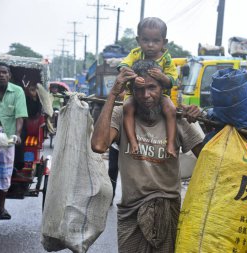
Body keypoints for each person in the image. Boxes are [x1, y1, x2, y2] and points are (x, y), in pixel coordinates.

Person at [91, 60, 203, 252]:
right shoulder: (121, 113)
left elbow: (208, 157)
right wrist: (113, 95)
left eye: (152, 88)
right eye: (139, 90)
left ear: (162, 88)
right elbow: (99, 145)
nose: (146, 95)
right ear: (132, 91)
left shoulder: (177, 118)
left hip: (168, 209)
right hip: (131, 212)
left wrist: (201, 115)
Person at [117, 17, 179, 157]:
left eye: (156, 41)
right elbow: (123, 66)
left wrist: (163, 77)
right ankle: (133, 142)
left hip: (160, 97)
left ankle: (170, 144)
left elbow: (172, 79)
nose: (150, 45)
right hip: (135, 94)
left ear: (164, 42)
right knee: (127, 108)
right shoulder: (135, 54)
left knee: (170, 109)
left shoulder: (166, 59)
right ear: (139, 40)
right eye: (145, 40)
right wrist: (133, 77)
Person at [0, 63, 28, 219]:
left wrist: (17, 134)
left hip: (8, 136)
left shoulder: (17, 91)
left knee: (5, 172)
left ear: (9, 76)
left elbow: (20, 115)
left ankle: (2, 208)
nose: (1, 75)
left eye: (4, 73)